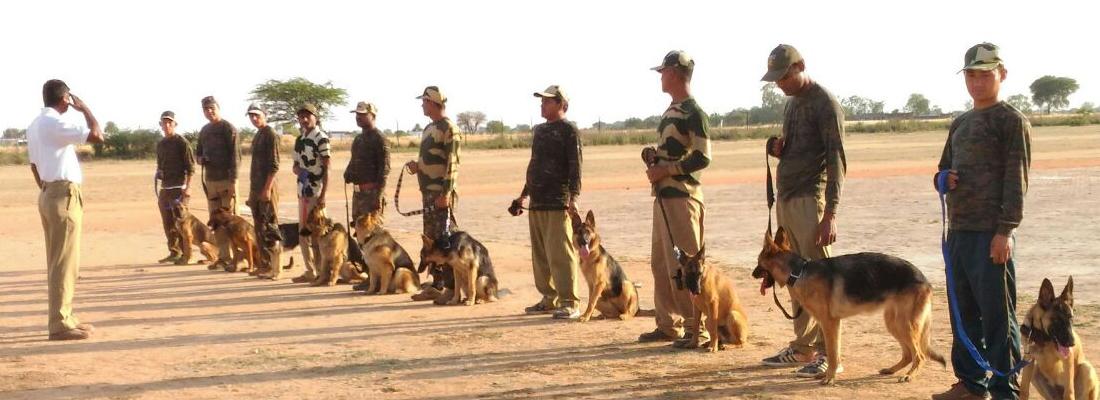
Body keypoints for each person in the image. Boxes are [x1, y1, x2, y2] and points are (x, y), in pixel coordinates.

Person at [931, 42, 1030, 400]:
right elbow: (942, 169)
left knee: (998, 317)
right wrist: (943, 179)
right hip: (959, 232)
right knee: (964, 313)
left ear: (1001, 74)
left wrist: (1005, 231)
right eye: (971, 75)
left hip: (991, 235)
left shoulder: (1011, 121)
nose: (977, 82)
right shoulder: (960, 123)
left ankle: (1007, 389)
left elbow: (1015, 181)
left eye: (985, 74)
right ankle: (972, 384)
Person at [758, 44, 848, 379]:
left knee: (820, 280)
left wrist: (830, 213)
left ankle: (828, 353)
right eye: (776, 79)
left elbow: (837, 161)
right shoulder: (792, 104)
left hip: (811, 200)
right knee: (794, 279)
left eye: (784, 76)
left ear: (801, 66)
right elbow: (793, 147)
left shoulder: (825, 103)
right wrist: (776, 148)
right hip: (787, 199)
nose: (780, 83)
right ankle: (803, 347)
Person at [636, 51, 712, 349]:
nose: (661, 77)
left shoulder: (694, 112)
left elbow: (703, 156)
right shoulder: (672, 110)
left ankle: (697, 327)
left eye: (664, 71)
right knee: (661, 263)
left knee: (688, 265)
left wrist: (666, 169)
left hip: (683, 197)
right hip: (664, 197)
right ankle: (668, 324)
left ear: (677, 74)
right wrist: (653, 157)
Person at [26, 79, 104, 340]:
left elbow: (34, 165)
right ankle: (60, 323)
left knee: (58, 260)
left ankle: (65, 316)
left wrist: (46, 189)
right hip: (62, 193)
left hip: (48, 191)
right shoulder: (54, 122)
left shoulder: (36, 124)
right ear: (65, 99)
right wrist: (85, 109)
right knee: (64, 262)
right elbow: (97, 135)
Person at [514, 85, 583, 320]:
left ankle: (570, 301)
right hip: (537, 201)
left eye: (547, 101)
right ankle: (549, 297)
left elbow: (576, 166)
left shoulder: (569, 131)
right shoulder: (540, 131)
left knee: (560, 254)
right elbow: (534, 164)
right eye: (542, 102)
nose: (542, 105)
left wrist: (574, 198)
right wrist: (523, 195)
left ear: (561, 104)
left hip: (557, 201)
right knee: (541, 254)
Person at [405, 86, 460, 239]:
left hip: (440, 194)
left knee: (445, 241)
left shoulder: (449, 128)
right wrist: (418, 167)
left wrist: (445, 194)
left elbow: (452, 164)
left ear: (432, 102)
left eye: (424, 101)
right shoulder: (429, 128)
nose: (422, 105)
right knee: (431, 240)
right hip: (428, 193)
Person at [195, 96, 241, 271]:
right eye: (206, 109)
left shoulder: (228, 128)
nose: (209, 111)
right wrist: (200, 159)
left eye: (212, 108)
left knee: (232, 222)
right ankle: (223, 257)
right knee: (216, 222)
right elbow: (198, 153)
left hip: (227, 180)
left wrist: (233, 181)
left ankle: (238, 258)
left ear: (218, 108)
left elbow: (235, 158)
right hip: (211, 181)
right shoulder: (205, 130)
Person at [290, 103, 331, 283]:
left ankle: (324, 270)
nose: (305, 119)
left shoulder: (321, 138)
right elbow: (295, 165)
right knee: (304, 233)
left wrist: (323, 196)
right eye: (301, 116)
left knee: (319, 234)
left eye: (308, 116)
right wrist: (299, 171)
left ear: (315, 117)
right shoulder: (299, 139)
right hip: (303, 191)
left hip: (316, 191)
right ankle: (310, 270)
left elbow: (327, 167)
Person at [245, 104, 282, 279]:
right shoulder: (258, 134)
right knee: (259, 227)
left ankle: (275, 266)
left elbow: (274, 165)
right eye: (251, 116)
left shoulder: (270, 134)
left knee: (270, 227)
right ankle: (264, 263)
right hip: (256, 187)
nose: (254, 118)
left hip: (267, 187)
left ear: (264, 115)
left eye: (256, 115)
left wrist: (267, 188)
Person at [154, 110, 195, 265]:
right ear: (160, 124)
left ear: (175, 124)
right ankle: (174, 251)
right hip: (166, 187)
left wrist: (188, 187)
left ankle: (186, 254)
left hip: (180, 187)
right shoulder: (161, 144)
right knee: (168, 222)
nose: (167, 125)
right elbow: (160, 164)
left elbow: (191, 167)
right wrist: (159, 172)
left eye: (170, 122)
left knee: (182, 223)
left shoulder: (182, 142)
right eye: (164, 122)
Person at [343, 101, 389, 220]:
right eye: (357, 114)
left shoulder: (380, 139)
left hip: (372, 194)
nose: (358, 117)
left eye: (362, 114)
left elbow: (384, 170)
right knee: (359, 233)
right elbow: (354, 160)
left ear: (372, 116)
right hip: (358, 194)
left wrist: (378, 196)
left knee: (373, 235)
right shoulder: (358, 139)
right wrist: (349, 172)